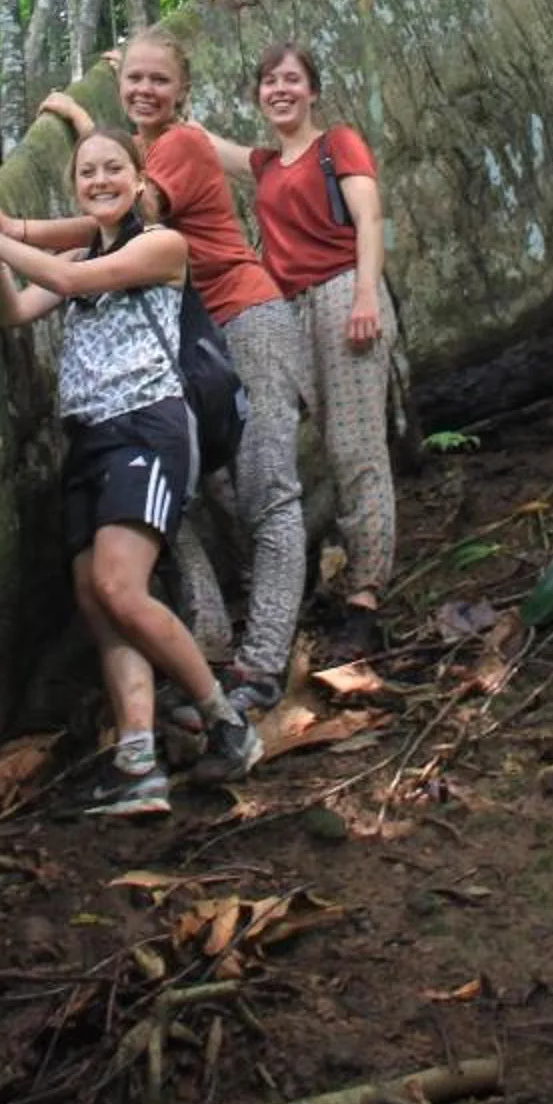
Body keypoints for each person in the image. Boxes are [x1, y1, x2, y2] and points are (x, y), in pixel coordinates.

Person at [0, 129, 262, 816]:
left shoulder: (160, 246)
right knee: (95, 594)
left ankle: (227, 722)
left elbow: (68, 280)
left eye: (114, 168)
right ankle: (137, 759)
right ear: (75, 187)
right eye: (88, 173)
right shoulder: (86, 247)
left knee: (120, 583)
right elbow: (15, 310)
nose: (101, 180)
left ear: (140, 180)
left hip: (148, 427)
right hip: (89, 438)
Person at [30, 27, 307, 721]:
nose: (146, 91)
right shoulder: (146, 153)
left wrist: (11, 228)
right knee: (174, 493)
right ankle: (207, 642)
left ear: (183, 92)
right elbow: (118, 176)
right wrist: (82, 123)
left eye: (160, 80)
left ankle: (263, 664)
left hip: (246, 318)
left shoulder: (180, 145)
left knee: (268, 486)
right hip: (187, 344)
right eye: (135, 80)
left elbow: (127, 205)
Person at [200, 41, 395, 658]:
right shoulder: (263, 165)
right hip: (280, 309)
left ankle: (364, 597)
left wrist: (366, 295)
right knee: (256, 444)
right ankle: (280, 576)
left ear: (312, 90)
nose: (279, 89)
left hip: (342, 293)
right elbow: (197, 142)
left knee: (353, 445)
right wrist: (124, 83)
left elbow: (368, 218)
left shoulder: (338, 143)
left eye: (291, 80)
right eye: (268, 82)